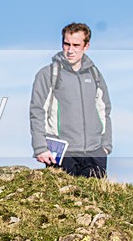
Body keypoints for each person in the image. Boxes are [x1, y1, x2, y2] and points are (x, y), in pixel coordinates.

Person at [30, 22, 112, 178]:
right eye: (66, 44)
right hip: (62, 153)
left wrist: (105, 146)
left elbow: (104, 110)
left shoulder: (95, 75)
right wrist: (40, 147)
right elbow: (37, 111)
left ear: (86, 46)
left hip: (94, 153)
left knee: (94, 201)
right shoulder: (48, 74)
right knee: (63, 201)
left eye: (76, 45)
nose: (70, 50)